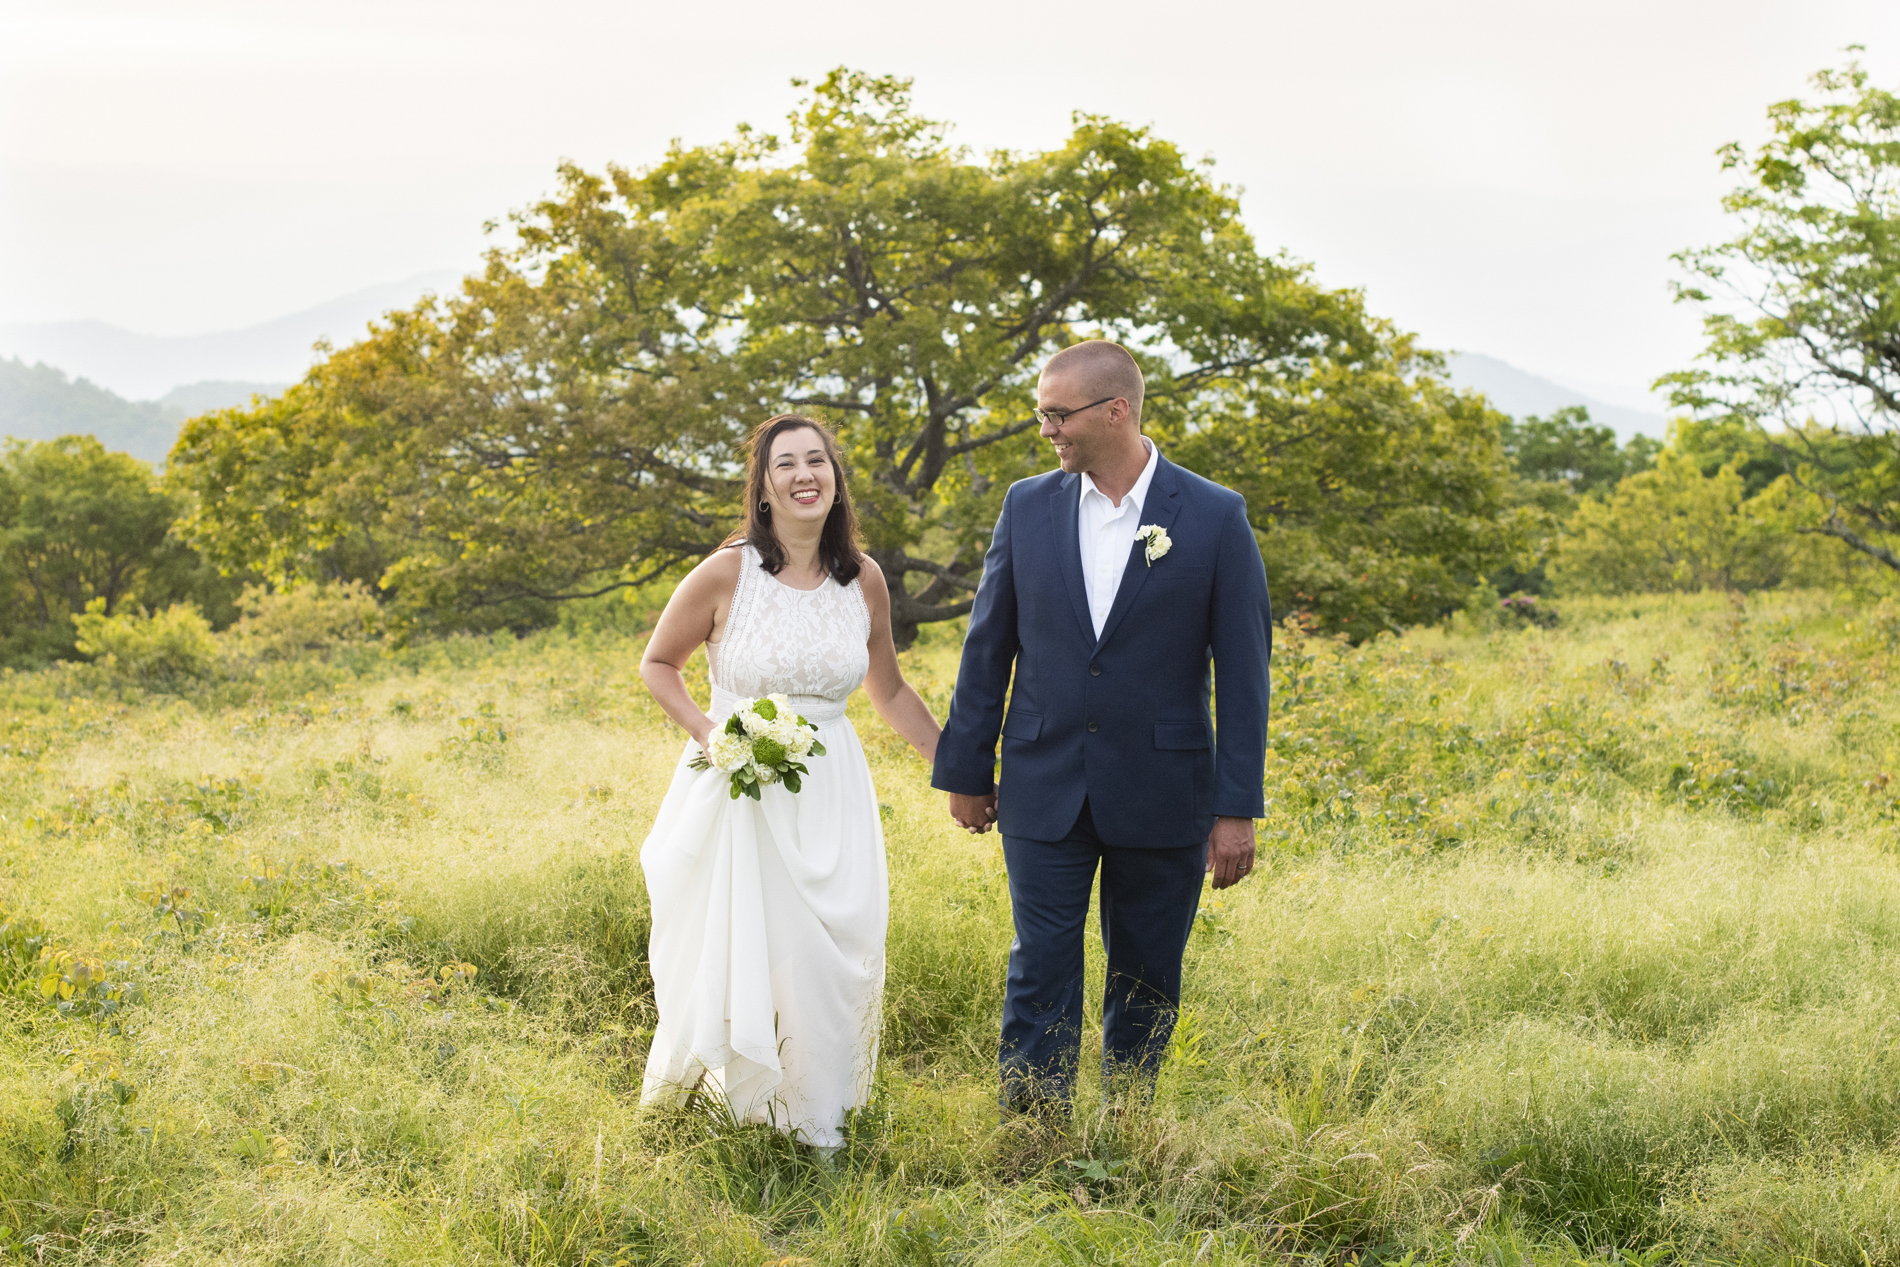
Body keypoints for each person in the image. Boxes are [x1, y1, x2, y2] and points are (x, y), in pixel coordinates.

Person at [931, 339, 1272, 1116]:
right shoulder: (1026, 504)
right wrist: (965, 770)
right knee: (1039, 963)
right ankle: (1032, 1126)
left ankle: (1128, 1120)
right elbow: (989, 646)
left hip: (1163, 790)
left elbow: (1246, 676)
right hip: (1043, 781)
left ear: (1116, 410)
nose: (1047, 430)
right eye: (1041, 414)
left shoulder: (1216, 516)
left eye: (1058, 414)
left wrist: (1235, 808)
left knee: (1147, 970)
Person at [638, 414, 940, 1149]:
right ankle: (738, 1115)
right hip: (742, 793)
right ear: (764, 486)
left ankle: (817, 1118)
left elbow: (890, 691)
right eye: (787, 464)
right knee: (749, 950)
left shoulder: (861, 578)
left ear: (835, 480)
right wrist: (713, 734)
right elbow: (658, 665)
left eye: (818, 461)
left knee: (836, 951)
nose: (805, 474)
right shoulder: (726, 571)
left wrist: (959, 766)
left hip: (831, 787)